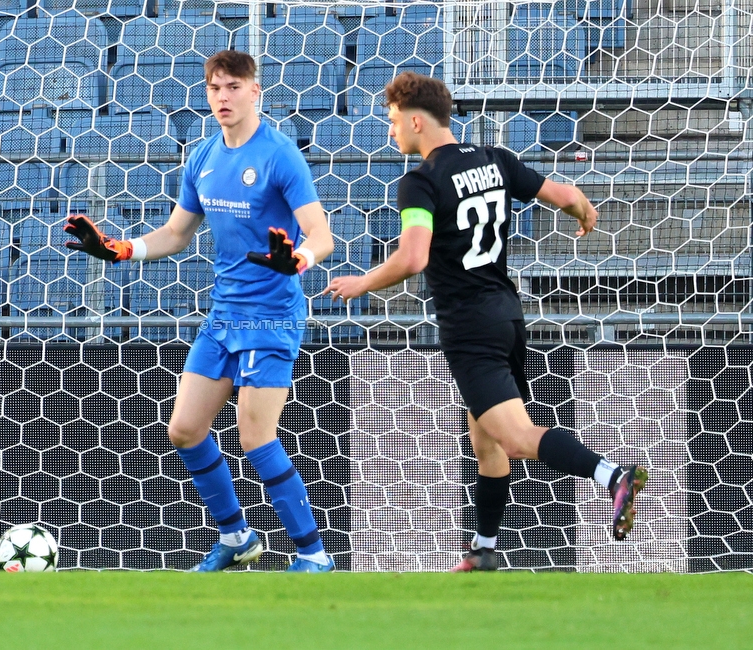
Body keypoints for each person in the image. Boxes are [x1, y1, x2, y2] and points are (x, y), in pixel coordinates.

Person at [324, 71, 648, 572]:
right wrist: (584, 211)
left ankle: (612, 477)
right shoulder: (494, 160)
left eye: (392, 122)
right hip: (506, 315)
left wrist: (362, 283)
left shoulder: (420, 181)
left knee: (517, 438)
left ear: (415, 120)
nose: (391, 133)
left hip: (470, 326)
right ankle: (484, 548)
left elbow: (413, 258)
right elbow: (562, 194)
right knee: (487, 440)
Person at [64, 50, 336, 572]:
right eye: (214, 88)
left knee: (256, 434)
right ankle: (236, 538)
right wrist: (120, 250)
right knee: (184, 429)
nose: (223, 97)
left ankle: (313, 554)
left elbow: (322, 234)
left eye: (233, 87)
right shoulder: (204, 157)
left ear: (256, 92)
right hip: (223, 315)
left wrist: (297, 258)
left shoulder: (280, 156)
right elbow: (175, 233)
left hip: (271, 315)